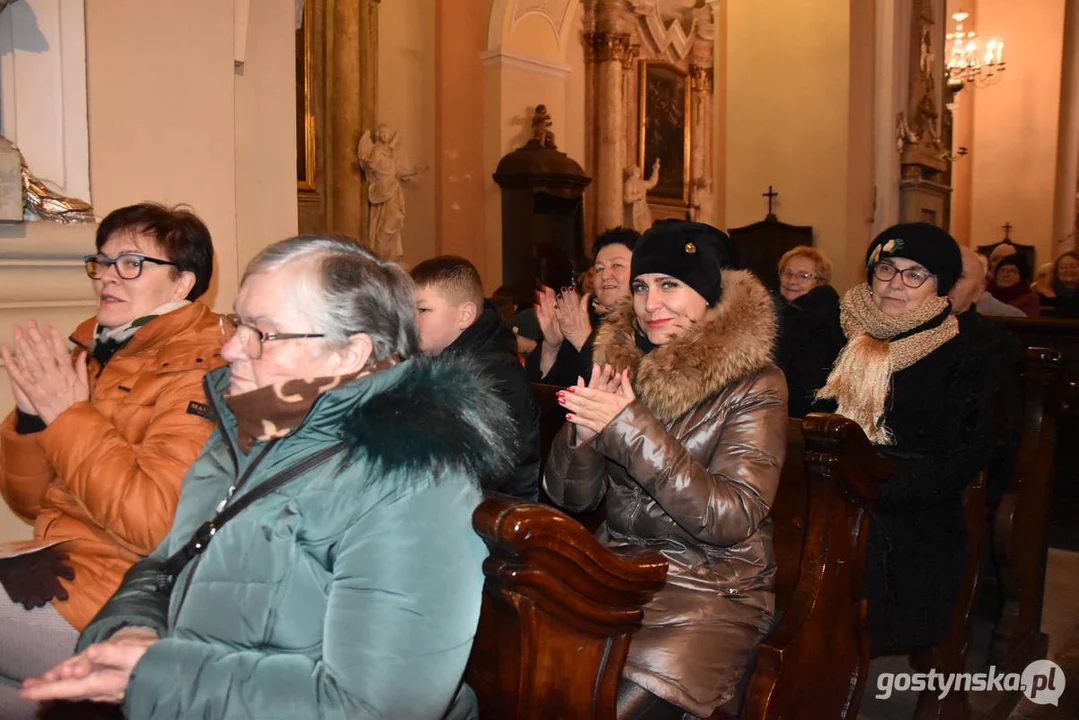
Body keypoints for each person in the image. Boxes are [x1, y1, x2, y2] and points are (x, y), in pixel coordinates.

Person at [20, 236, 513, 719]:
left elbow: (374, 706)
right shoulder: (247, 431)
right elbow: (165, 562)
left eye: (263, 332)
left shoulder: (411, 484)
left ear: (350, 354)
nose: (231, 348)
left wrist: (158, 677)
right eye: (237, 322)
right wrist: (133, 630)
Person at [545, 220, 788, 719]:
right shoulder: (622, 364)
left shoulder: (756, 383)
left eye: (669, 284)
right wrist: (583, 441)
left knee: (607, 707)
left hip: (711, 591)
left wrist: (628, 426)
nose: (650, 303)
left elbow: (731, 516)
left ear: (709, 293)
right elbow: (573, 500)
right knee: (536, 673)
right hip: (619, 572)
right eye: (641, 286)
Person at [0, 203, 224, 719]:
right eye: (101, 262)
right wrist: (36, 422)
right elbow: (30, 503)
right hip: (59, 563)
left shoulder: (201, 372)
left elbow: (156, 526)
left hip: (124, 602)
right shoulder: (98, 350)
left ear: (181, 283)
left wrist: (69, 416)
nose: (107, 277)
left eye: (131, 263)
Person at [815, 223, 993, 654]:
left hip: (905, 519)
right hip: (819, 494)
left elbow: (959, 459)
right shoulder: (826, 333)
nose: (896, 283)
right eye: (887, 269)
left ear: (939, 288)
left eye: (915, 274)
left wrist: (863, 481)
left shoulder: (965, 357)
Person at [412, 255, 541, 499]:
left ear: (465, 316)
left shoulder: (497, 377)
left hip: (496, 517)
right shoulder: (429, 363)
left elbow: (482, 473)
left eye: (422, 310)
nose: (411, 319)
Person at [528, 227, 640, 388]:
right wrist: (551, 347)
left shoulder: (649, 322)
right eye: (599, 268)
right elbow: (538, 395)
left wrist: (584, 341)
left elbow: (634, 398)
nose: (605, 275)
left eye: (617, 265)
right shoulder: (580, 316)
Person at [773, 245, 845, 418]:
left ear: (819, 281)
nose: (792, 281)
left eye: (803, 276)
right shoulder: (769, 311)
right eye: (787, 273)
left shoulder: (831, 318)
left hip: (810, 415)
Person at [1042, 252, 1079, 318]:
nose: (1068, 270)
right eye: (1063, 267)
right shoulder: (1046, 292)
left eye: (1073, 266)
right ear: (1056, 272)